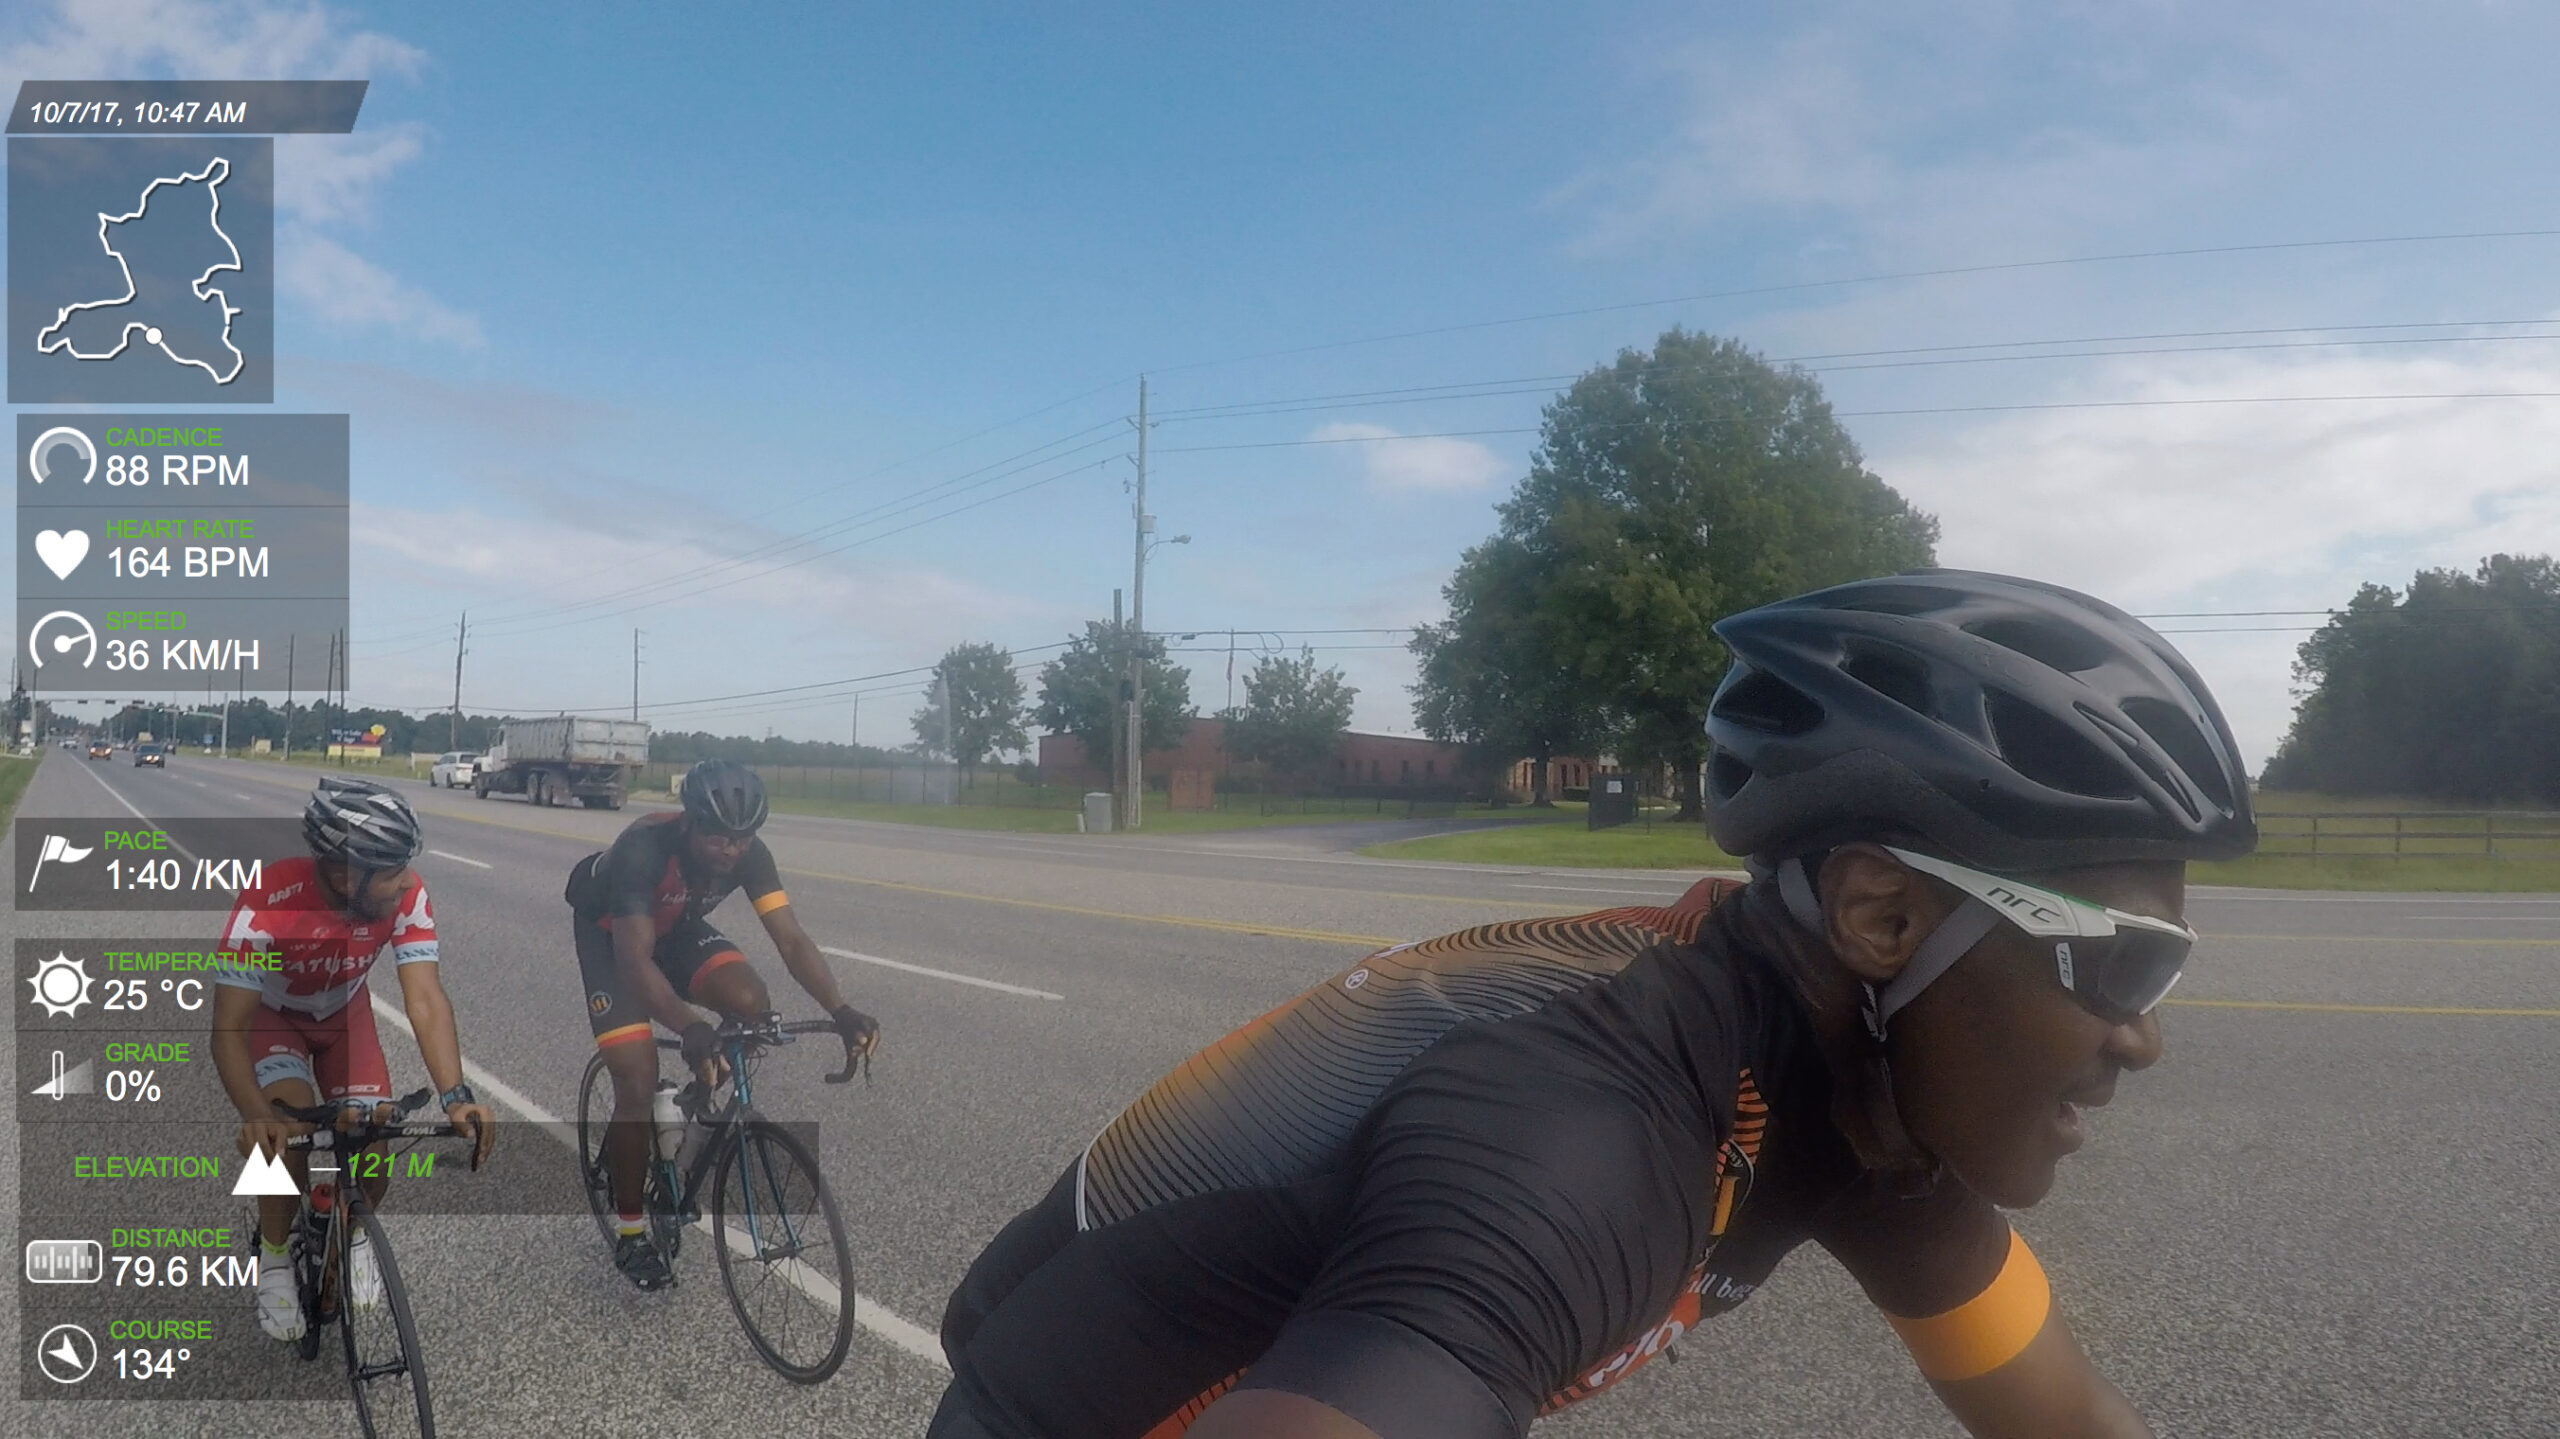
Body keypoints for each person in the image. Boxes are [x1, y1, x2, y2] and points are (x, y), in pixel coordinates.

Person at [928, 569, 2256, 1439]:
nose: (2145, 1035)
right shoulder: (1593, 1121)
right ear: (1883, 915)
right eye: (2123, 961)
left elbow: (2065, 1416)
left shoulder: (1866, 1097)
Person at [566, 758, 880, 1290]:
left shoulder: (751, 855)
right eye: (717, 837)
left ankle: (692, 1112)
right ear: (689, 822)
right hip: (612, 938)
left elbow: (791, 939)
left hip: (674, 928)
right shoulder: (645, 847)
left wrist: (841, 1009)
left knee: (751, 1004)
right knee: (636, 1081)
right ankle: (631, 1233)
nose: (731, 850)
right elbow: (635, 961)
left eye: (742, 838)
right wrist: (690, 1026)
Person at [212, 776, 497, 1343]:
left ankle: (356, 1232)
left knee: (374, 1136)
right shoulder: (269, 901)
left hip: (346, 1017)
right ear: (346, 874)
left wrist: (456, 1095)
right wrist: (256, 1115)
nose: (406, 881)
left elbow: (425, 998)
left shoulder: (406, 895)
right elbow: (228, 1030)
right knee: (289, 1138)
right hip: (275, 1019)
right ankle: (274, 1258)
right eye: (391, 870)